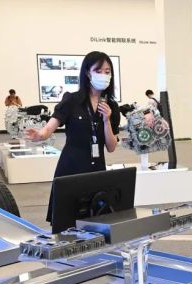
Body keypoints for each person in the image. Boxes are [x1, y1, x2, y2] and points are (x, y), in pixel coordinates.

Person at [25, 51, 121, 223]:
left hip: (97, 170)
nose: (104, 75)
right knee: (66, 220)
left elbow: (111, 147)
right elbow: (51, 125)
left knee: (95, 220)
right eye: (98, 71)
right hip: (71, 168)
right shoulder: (72, 100)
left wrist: (107, 120)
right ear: (87, 73)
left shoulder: (111, 106)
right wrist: (41, 134)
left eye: (107, 72)